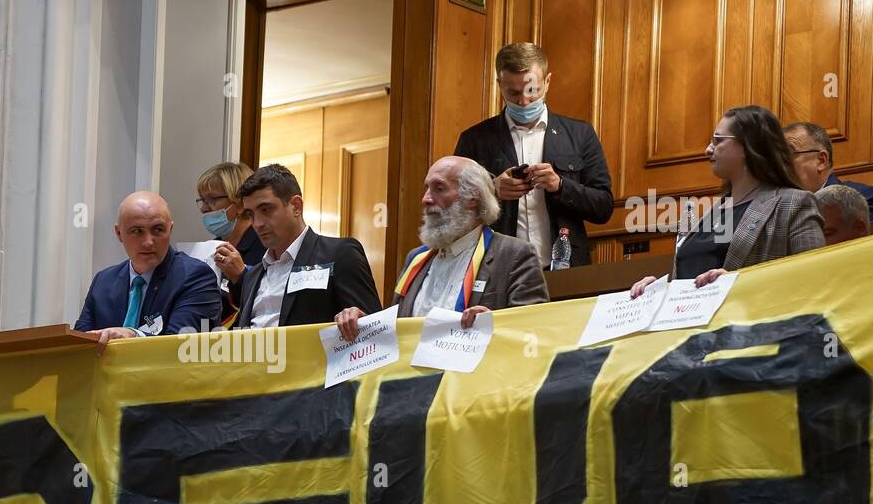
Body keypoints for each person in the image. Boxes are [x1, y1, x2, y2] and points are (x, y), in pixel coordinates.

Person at [334, 156, 548, 341]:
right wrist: (363, 324)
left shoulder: (514, 255)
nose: (425, 199)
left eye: (439, 188)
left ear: (472, 197)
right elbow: (397, 333)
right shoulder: (416, 258)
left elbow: (532, 331)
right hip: (410, 384)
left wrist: (494, 326)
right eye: (426, 188)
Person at [631, 105, 825, 298]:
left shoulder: (795, 203)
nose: (708, 150)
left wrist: (740, 285)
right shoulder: (712, 212)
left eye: (717, 141)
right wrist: (657, 292)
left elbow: (813, 281)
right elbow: (690, 282)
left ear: (748, 145)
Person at [454, 42, 613, 268]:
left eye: (532, 91)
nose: (524, 101)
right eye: (514, 93)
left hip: (566, 270)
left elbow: (603, 207)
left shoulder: (580, 134)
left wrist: (560, 185)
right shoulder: (474, 140)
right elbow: (454, 213)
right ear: (500, 85)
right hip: (497, 272)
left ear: (547, 82)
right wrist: (492, 190)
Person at [233, 163, 382, 329]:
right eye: (251, 214)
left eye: (266, 209)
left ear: (296, 206)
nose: (257, 224)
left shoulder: (339, 254)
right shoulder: (253, 276)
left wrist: (358, 316)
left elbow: (374, 330)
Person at [73, 192, 221, 353]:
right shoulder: (103, 281)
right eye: (137, 231)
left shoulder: (195, 276)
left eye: (158, 230)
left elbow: (180, 346)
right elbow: (81, 344)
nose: (148, 242)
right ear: (119, 233)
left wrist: (133, 335)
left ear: (170, 229)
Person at [194, 161, 265, 326]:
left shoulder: (266, 247)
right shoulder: (209, 248)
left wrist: (241, 277)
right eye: (202, 200)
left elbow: (269, 306)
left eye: (212, 199)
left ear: (240, 203)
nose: (204, 208)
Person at [783, 121, 873, 224]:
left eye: (788, 154)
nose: (779, 164)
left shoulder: (859, 200)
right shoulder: (778, 210)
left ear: (821, 161)